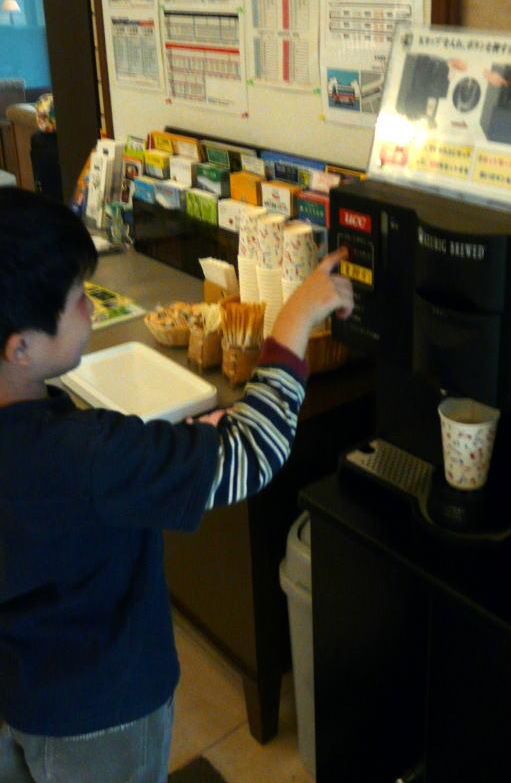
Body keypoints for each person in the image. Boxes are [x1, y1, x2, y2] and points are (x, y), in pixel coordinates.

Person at [0, 188, 354, 783]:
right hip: (104, 711)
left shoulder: (62, 449)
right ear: (20, 347)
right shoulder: (82, 457)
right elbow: (253, 450)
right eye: (78, 297)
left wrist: (169, 453)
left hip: (26, 686)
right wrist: (296, 316)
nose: (91, 309)